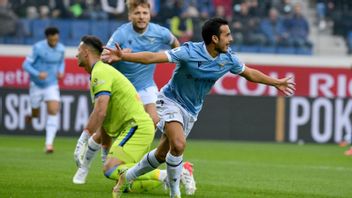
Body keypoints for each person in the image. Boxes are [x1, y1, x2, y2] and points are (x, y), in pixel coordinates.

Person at [102, 17, 296, 198]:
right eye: (227, 35)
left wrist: (276, 82)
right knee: (178, 145)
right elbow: (154, 56)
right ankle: (175, 192)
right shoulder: (189, 51)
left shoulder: (228, 58)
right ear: (214, 38)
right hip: (170, 100)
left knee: (163, 154)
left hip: (191, 110)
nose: (231, 38)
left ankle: (126, 176)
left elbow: (250, 73)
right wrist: (124, 57)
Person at [73, 0, 182, 185]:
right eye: (137, 13)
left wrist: (179, 63)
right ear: (130, 15)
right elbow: (104, 56)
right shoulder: (121, 33)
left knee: (153, 121)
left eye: (144, 13)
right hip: (124, 87)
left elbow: (175, 43)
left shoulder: (160, 32)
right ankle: (84, 168)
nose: (141, 17)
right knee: (103, 133)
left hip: (146, 86)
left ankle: (134, 164)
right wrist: (119, 55)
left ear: (150, 14)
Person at [73, 35, 195, 195]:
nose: (76, 55)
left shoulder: (100, 72)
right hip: (138, 127)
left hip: (136, 127)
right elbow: (105, 116)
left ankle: (174, 173)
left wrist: (83, 140)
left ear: (86, 52)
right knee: (126, 184)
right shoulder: (100, 71)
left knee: (111, 169)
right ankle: (171, 174)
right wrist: (104, 153)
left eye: (78, 51)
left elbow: (100, 112)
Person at [23, 26, 65, 153]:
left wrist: (61, 71)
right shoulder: (38, 48)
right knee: (36, 114)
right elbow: (25, 64)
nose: (54, 42)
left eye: (56, 40)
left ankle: (49, 144)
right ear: (47, 38)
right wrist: (37, 74)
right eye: (52, 40)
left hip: (51, 84)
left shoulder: (61, 49)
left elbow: (61, 62)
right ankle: (31, 113)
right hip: (36, 85)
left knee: (53, 110)